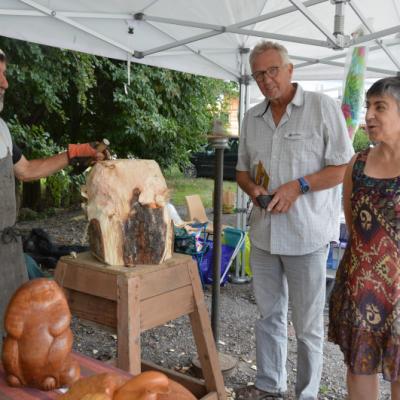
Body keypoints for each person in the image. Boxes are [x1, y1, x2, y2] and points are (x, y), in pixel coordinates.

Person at [235, 41, 354, 400]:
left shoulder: (322, 108)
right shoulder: (252, 117)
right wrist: (253, 189)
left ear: (290, 70)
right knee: (268, 317)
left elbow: (343, 167)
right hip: (265, 234)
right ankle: (270, 385)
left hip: (307, 235)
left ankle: (306, 394)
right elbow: (241, 171)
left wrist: (300, 186)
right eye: (259, 74)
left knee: (306, 326)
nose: (266, 79)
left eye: (273, 70)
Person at [0, 48, 106, 349]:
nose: (5, 83)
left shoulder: (2, 130)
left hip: (6, 250)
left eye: (4, 74)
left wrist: (74, 154)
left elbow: (28, 170)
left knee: (13, 331)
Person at [328, 77, 400, 400]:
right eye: (368, 106)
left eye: (380, 107)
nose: (369, 115)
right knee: (359, 370)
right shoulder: (356, 165)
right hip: (361, 291)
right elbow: (352, 224)